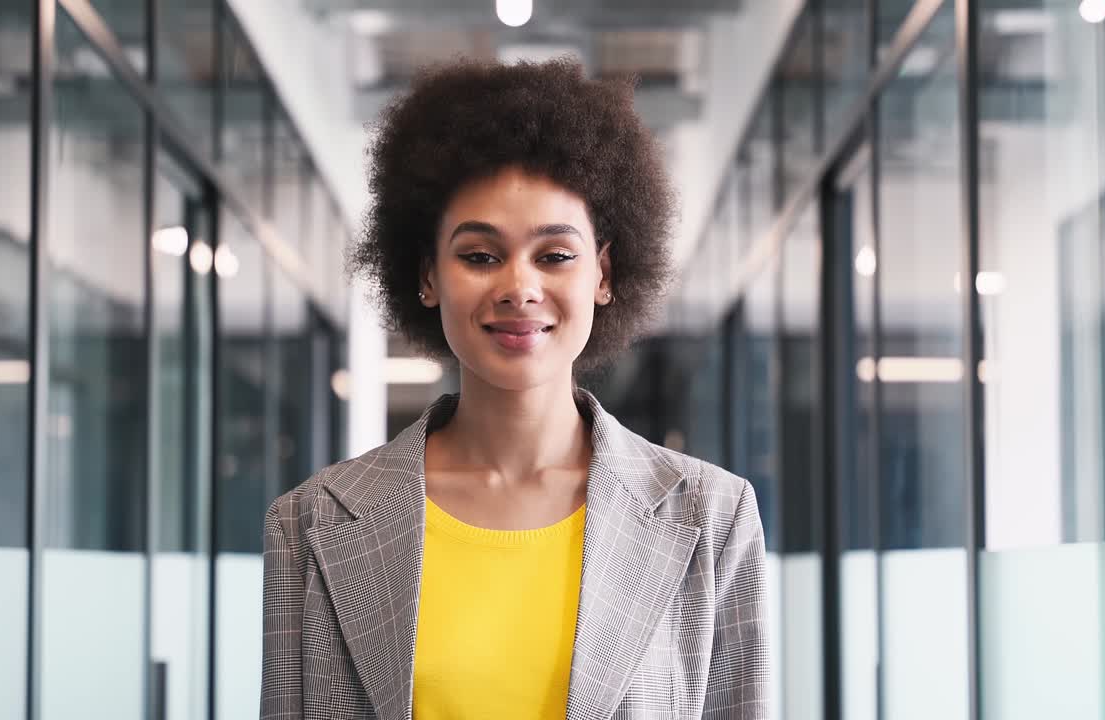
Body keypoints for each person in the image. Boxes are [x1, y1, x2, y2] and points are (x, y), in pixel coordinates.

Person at [261, 58, 770, 720]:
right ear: (427, 277)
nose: (519, 287)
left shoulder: (714, 519)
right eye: (479, 255)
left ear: (604, 274)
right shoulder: (309, 524)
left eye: (555, 255)